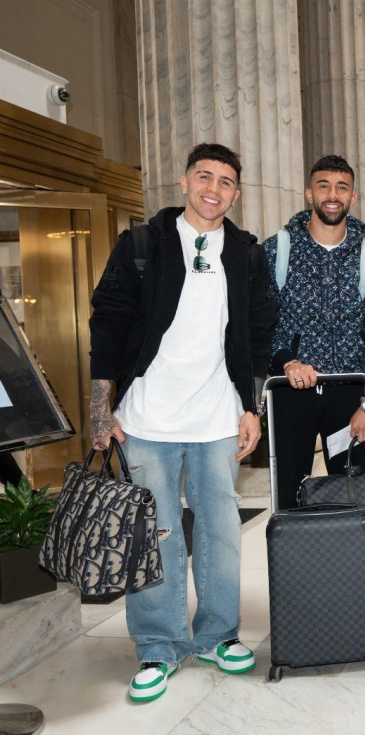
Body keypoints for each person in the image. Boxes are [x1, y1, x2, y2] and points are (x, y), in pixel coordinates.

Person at [89, 143, 277, 703]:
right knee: (156, 535)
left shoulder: (244, 253)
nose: (213, 189)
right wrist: (101, 410)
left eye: (225, 181)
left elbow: (259, 334)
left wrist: (252, 406)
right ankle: (158, 644)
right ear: (184, 181)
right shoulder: (142, 245)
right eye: (204, 177)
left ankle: (219, 635)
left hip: (217, 417)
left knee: (220, 532)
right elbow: (107, 322)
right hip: (146, 419)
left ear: (236, 193)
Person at [262, 155, 365, 510]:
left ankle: (353, 566)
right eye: (324, 186)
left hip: (348, 397)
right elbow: (261, 323)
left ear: (353, 197)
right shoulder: (277, 250)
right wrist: (287, 361)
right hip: (291, 394)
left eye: (342, 187)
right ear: (309, 193)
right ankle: (295, 565)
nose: (332, 195)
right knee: (288, 500)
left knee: (357, 500)